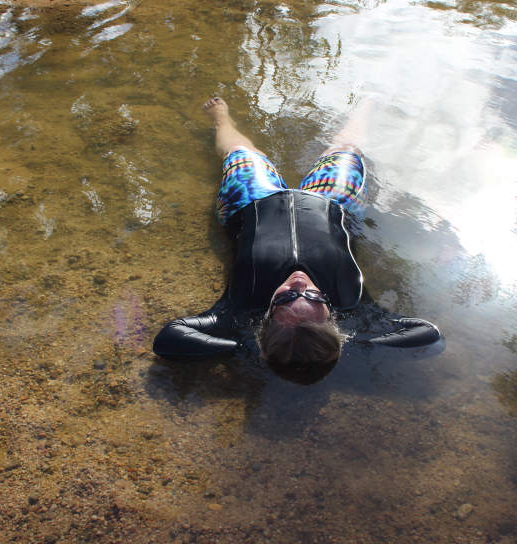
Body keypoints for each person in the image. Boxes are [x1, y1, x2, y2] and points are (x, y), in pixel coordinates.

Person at [152, 97, 441, 378]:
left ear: (266, 318)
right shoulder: (355, 306)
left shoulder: (238, 309)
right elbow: (428, 336)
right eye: (314, 297)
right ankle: (367, 103)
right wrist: (352, 343)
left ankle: (221, 117)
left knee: (239, 150)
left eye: (287, 297)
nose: (299, 284)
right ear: (331, 316)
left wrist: (248, 346)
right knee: (347, 149)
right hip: (332, 203)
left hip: (250, 203)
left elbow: (169, 338)